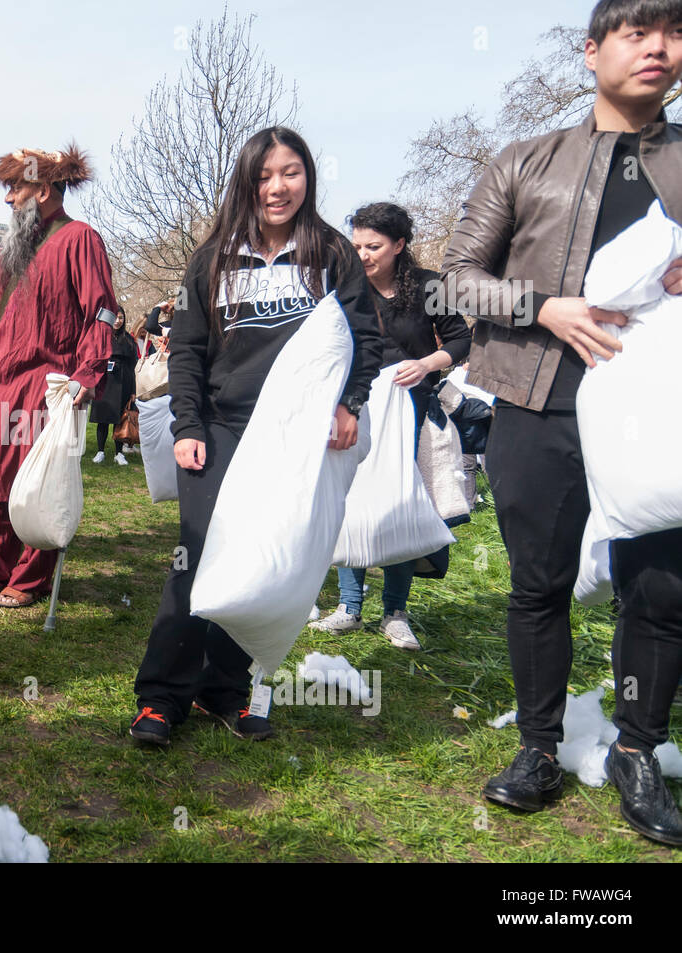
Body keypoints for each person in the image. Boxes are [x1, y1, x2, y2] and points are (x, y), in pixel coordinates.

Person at [443, 0, 682, 846]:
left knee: (659, 588)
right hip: (538, 401)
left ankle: (637, 750)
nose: (658, 46)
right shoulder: (526, 159)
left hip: (658, 411)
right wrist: (544, 307)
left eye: (675, 31)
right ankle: (538, 747)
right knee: (537, 582)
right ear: (591, 52)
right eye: (635, 30)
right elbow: (457, 279)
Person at [130, 127, 382, 747]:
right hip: (219, 428)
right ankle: (162, 699)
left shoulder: (332, 255)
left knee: (269, 562)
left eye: (291, 172)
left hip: (297, 439)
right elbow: (186, 350)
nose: (277, 187)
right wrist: (188, 425)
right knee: (198, 559)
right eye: (265, 175)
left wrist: (350, 403)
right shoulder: (213, 257)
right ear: (246, 181)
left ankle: (227, 690)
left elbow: (365, 340)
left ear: (308, 178)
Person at [0, 145, 117, 608]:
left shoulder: (81, 239)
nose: (7, 199)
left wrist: (86, 374)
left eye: (15, 188)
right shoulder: (11, 249)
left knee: (35, 484)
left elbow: (100, 310)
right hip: (1, 384)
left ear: (42, 188)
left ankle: (29, 579)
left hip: (46, 385)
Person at [310, 202, 470, 650]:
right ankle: (348, 605)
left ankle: (395, 612)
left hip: (411, 406)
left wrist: (427, 364)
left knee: (399, 499)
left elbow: (460, 338)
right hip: (356, 404)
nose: (362, 254)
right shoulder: (344, 287)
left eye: (374, 246)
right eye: (356, 245)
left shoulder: (428, 285)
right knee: (353, 497)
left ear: (400, 245)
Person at [89, 306, 137, 465]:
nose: (118, 321)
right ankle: (100, 451)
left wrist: (133, 390)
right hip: (104, 381)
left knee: (119, 419)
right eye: (115, 317)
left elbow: (132, 366)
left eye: (121, 318)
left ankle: (119, 453)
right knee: (102, 419)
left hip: (123, 381)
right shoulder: (102, 337)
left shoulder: (129, 340)